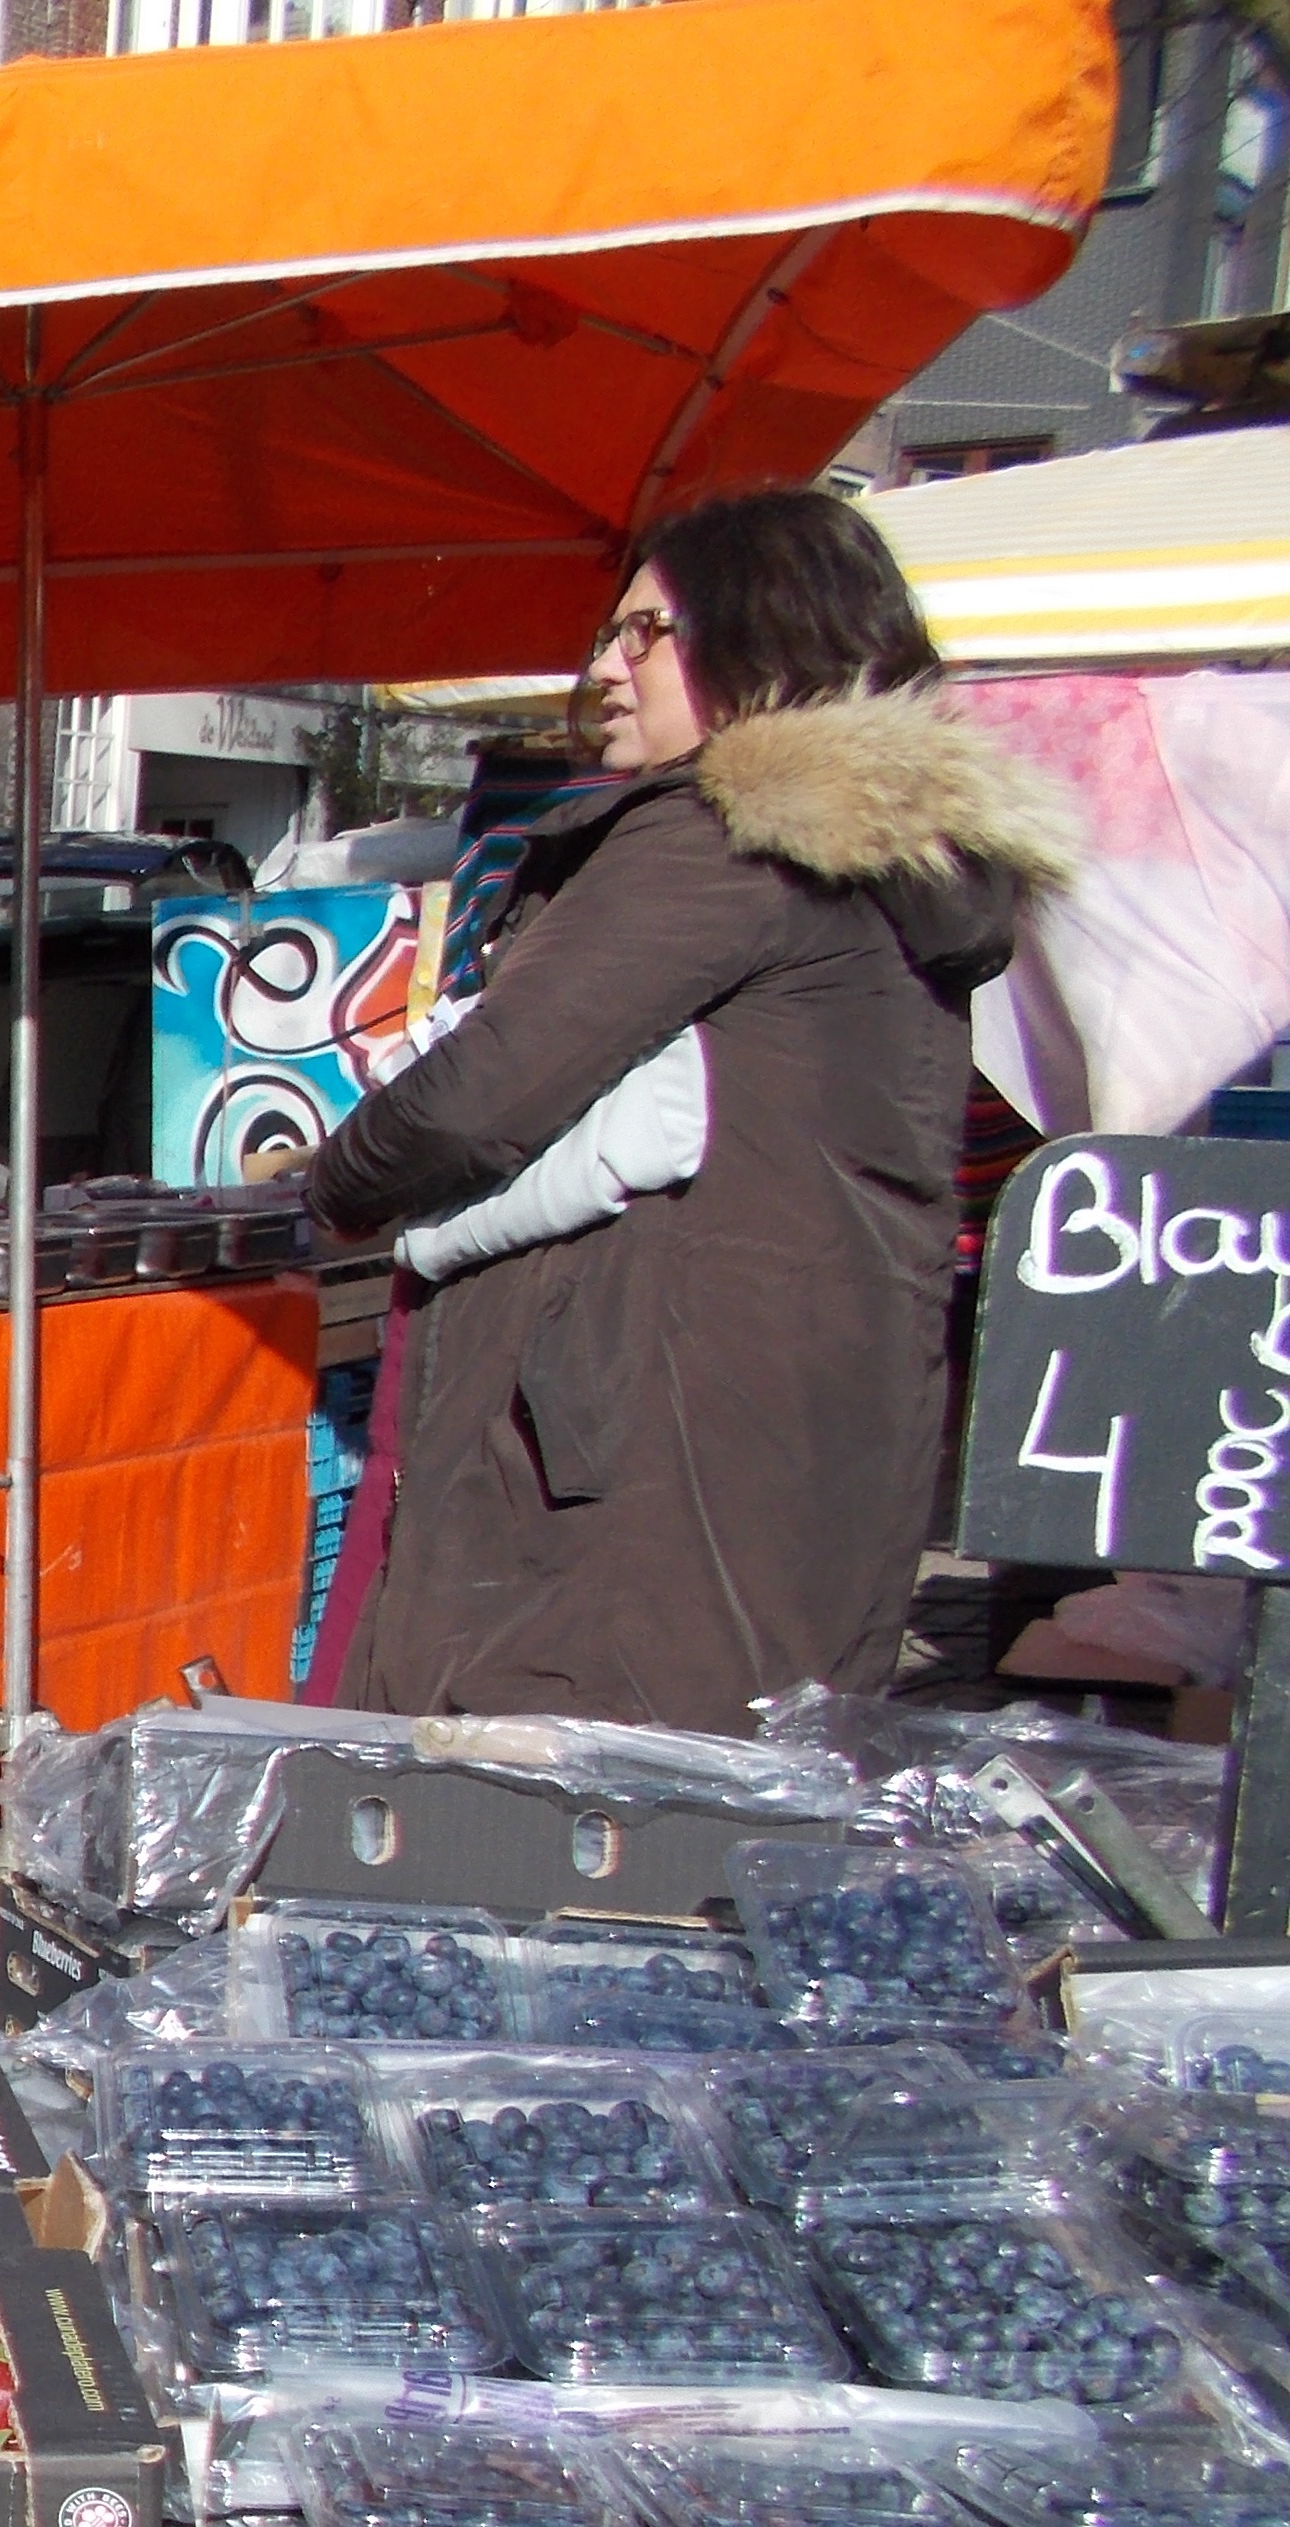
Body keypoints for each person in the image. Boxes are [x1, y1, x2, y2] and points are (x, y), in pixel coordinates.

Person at [309, 487, 1077, 1732]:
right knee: (744, 1792)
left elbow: (474, 1101)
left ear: (761, 635)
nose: (607, 669)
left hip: (635, 1447)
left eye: (642, 634)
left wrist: (329, 1186)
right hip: (800, 1429)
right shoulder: (891, 873)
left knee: (573, 1827)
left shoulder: (723, 841)